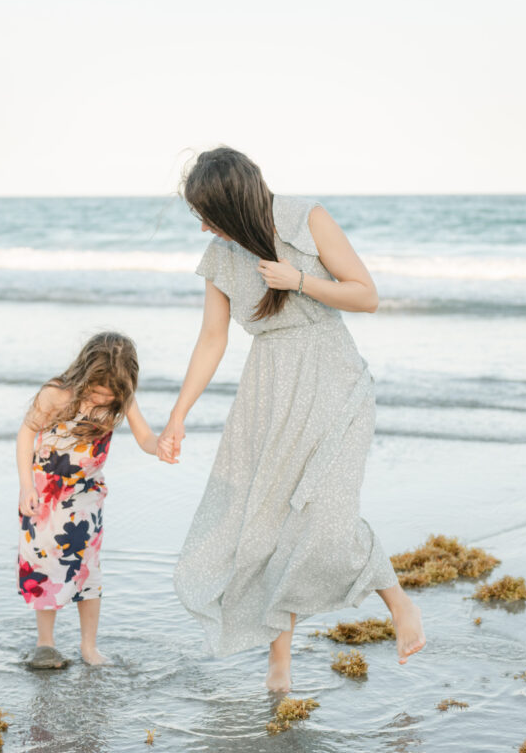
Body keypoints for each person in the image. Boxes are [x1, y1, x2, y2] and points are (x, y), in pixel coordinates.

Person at [157, 146, 426, 691]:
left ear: (233, 203)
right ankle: (279, 659)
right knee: (264, 524)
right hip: (268, 390)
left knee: (327, 518)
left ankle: (398, 603)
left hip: (333, 382)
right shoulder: (219, 255)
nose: (204, 226)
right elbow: (212, 338)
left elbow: (366, 295)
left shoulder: (307, 218)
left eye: (208, 213)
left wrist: (299, 280)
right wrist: (178, 415)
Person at [16, 331, 158, 667]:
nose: (99, 401)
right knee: (44, 565)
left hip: (87, 497)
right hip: (45, 496)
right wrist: (26, 486)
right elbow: (26, 434)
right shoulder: (56, 394)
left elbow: (145, 437)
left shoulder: (122, 398)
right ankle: (45, 643)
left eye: (108, 398)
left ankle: (89, 647)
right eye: (95, 393)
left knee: (88, 570)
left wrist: (161, 446)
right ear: (83, 375)